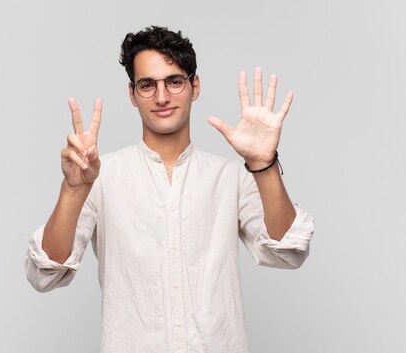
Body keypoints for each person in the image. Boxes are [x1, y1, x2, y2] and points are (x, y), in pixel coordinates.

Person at [25, 25, 315, 353]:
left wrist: (263, 165)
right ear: (132, 94)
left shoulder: (229, 178)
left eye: (174, 81)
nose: (162, 97)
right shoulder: (101, 177)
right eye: (147, 85)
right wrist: (73, 189)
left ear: (195, 86)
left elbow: (289, 253)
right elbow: (44, 274)